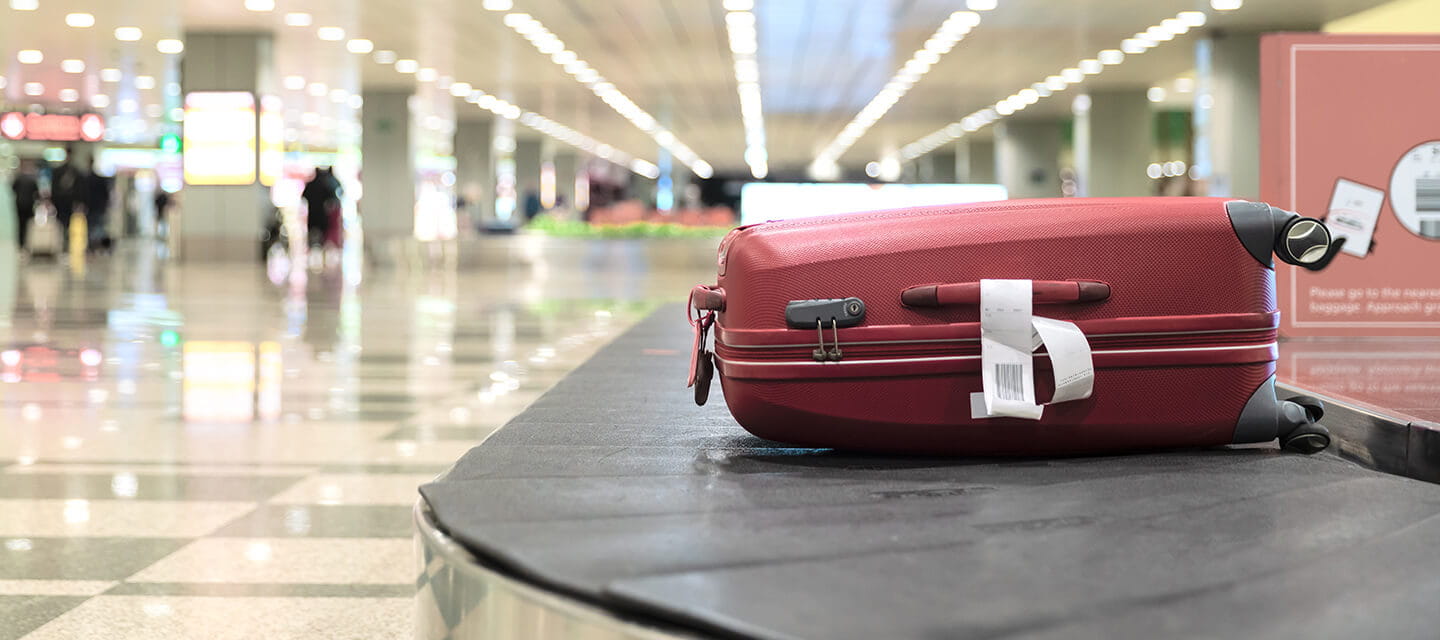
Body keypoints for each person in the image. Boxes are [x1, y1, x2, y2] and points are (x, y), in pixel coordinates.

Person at [50, 151, 86, 252]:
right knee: (61, 223)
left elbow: (79, 188)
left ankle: (65, 243)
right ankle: (62, 243)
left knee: (67, 223)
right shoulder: (61, 171)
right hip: (61, 202)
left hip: (68, 202)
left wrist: (79, 201)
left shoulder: (75, 172)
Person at [301, 168, 341, 249]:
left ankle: (311, 251)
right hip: (321, 215)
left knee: (312, 236)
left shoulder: (310, 185)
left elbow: (303, 196)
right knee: (323, 237)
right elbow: (331, 199)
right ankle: (321, 253)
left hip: (312, 215)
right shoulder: (324, 185)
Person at [10, 160, 40, 252]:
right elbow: (37, 193)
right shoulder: (32, 180)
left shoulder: (18, 178)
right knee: (28, 224)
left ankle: (20, 243)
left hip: (19, 204)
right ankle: (27, 243)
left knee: (20, 224)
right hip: (29, 205)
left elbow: (13, 189)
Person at [85, 164, 113, 253]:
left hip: (91, 208)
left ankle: (93, 246)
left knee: (92, 228)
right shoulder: (99, 179)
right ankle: (102, 246)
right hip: (99, 208)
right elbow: (106, 194)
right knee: (99, 227)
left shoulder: (86, 179)